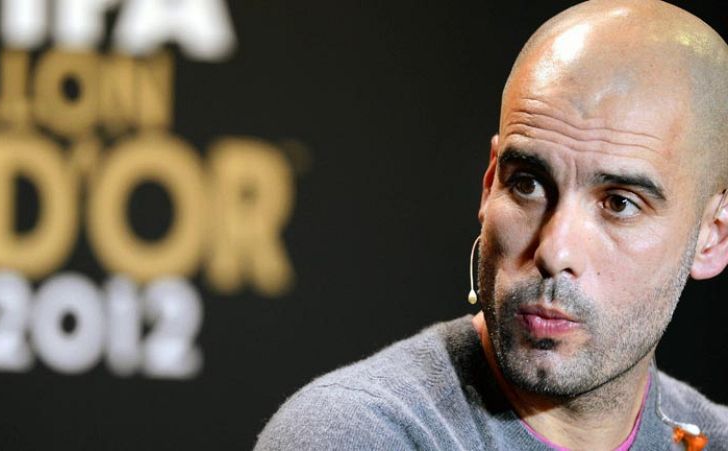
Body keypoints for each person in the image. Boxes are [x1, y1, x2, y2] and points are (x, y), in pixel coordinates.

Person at [255, 0, 728, 449]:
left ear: (714, 235)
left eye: (619, 204)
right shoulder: (357, 435)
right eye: (527, 183)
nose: (555, 251)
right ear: (489, 184)